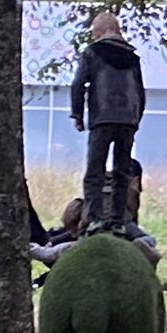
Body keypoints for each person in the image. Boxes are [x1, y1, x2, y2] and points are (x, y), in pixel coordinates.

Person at [70, 12, 146, 232]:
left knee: (95, 171)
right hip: (128, 120)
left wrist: (77, 114)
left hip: (102, 118)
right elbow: (140, 92)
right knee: (122, 172)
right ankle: (118, 221)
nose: (93, 37)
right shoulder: (133, 57)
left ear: (100, 31)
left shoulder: (92, 53)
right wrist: (136, 119)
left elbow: (78, 84)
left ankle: (93, 219)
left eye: (94, 32)